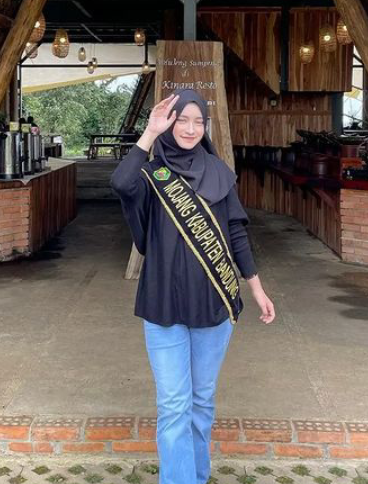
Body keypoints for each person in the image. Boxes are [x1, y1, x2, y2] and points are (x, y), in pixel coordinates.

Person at [111, 89, 275, 484]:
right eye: (181, 120)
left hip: (212, 305)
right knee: (173, 406)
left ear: (206, 126)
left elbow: (236, 233)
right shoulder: (152, 175)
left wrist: (256, 287)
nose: (189, 128)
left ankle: (195, 477)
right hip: (163, 306)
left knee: (201, 403)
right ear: (169, 123)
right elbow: (120, 183)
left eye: (197, 121)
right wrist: (150, 132)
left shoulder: (219, 172)